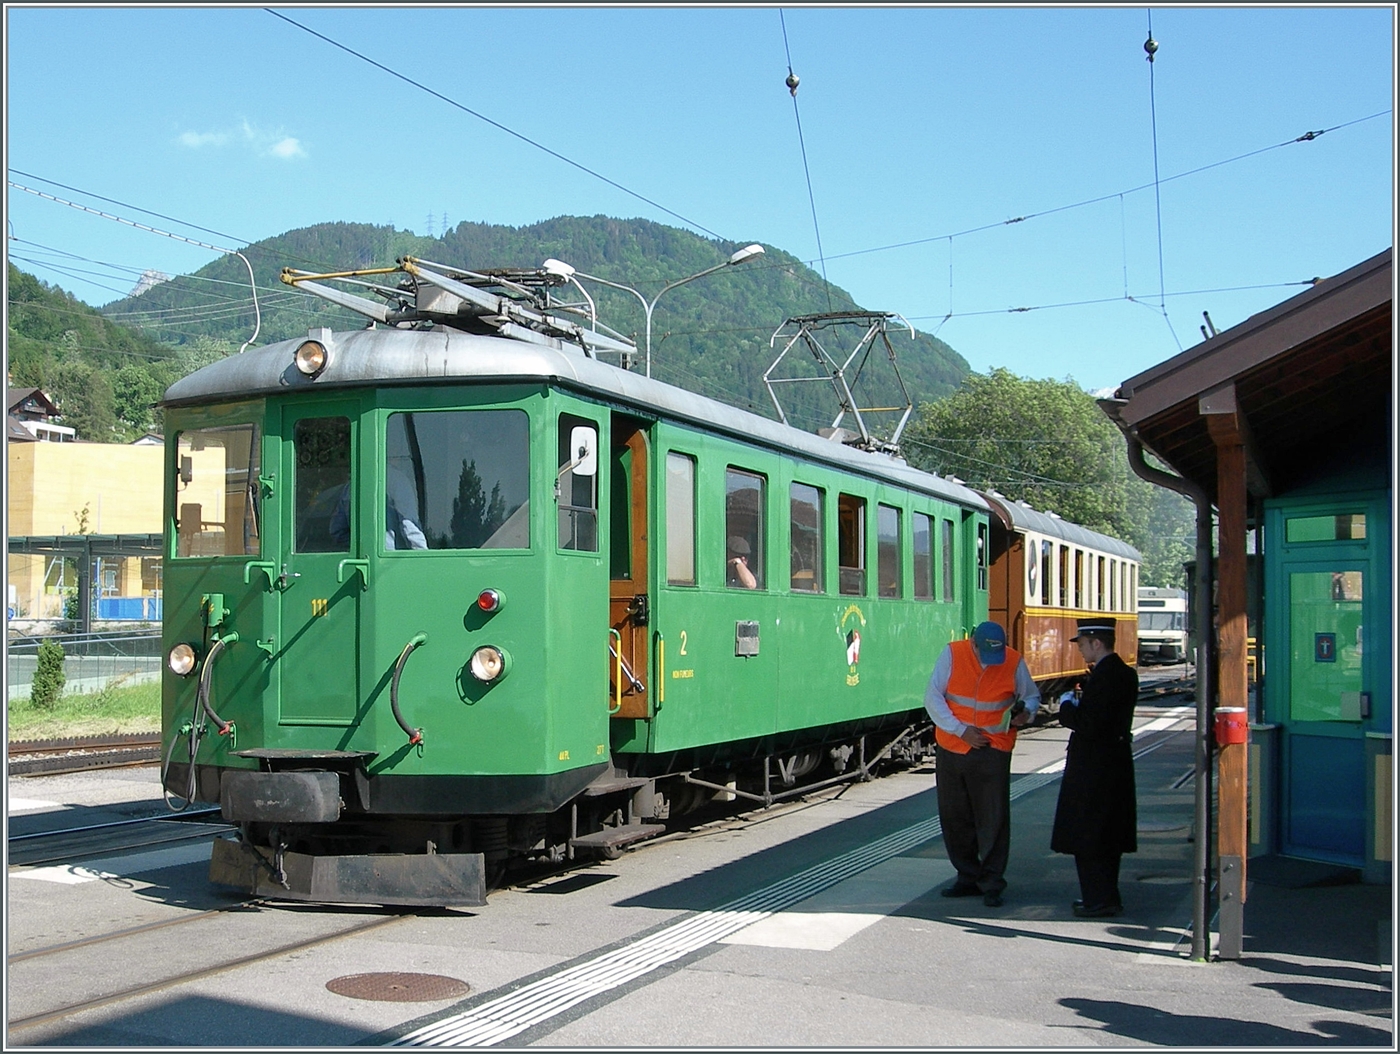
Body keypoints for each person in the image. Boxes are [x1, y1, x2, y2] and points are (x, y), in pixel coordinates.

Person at [924, 620, 1041, 907]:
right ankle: (966, 876)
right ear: (973, 643)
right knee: (955, 816)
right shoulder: (952, 654)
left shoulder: (1012, 660)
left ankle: (991, 881)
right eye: (985, 653)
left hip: (993, 749)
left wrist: (1027, 713)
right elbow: (932, 697)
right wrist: (960, 729)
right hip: (954, 746)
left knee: (993, 818)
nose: (992, 662)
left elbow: (1032, 696)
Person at [1051, 616, 1139, 918]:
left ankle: (1097, 900)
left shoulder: (1104, 677)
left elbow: (1088, 724)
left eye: (1083, 645)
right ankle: (1105, 896)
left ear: (1096, 643)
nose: (1080, 651)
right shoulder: (1125, 674)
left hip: (1093, 768)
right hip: (1114, 762)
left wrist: (1066, 706)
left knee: (1088, 834)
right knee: (1108, 835)